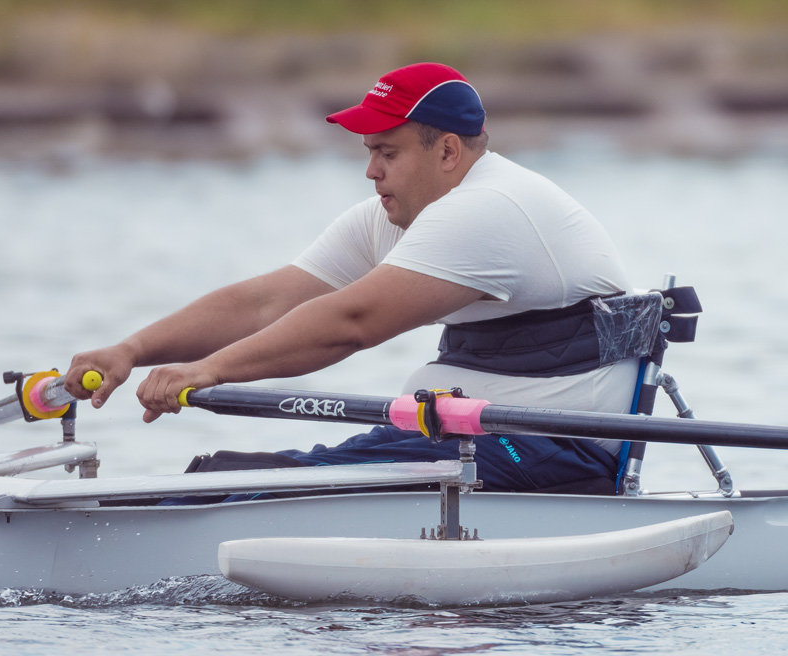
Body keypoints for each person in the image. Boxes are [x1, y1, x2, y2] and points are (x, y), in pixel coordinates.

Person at [64, 62, 640, 494]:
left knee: (243, 486)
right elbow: (267, 303)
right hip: (459, 437)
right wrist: (131, 349)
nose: (371, 171)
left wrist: (207, 371)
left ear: (446, 151)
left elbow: (350, 324)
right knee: (229, 474)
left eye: (387, 152)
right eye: (369, 151)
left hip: (552, 453)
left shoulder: (489, 209)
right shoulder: (396, 215)